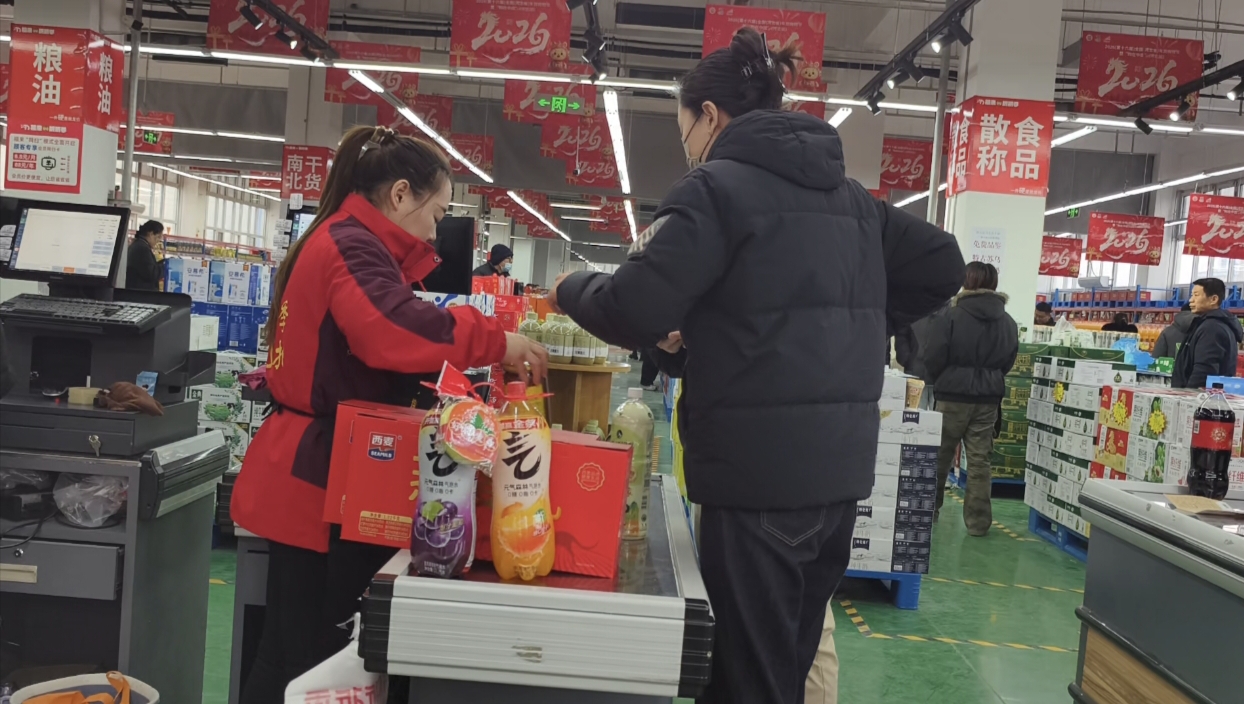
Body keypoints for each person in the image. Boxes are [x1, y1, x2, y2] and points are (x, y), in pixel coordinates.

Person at [546, 27, 964, 704]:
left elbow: (631, 307)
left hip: (758, 478)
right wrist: (850, 325)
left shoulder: (716, 189)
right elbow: (944, 263)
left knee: (744, 678)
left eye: (684, 129)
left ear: (710, 117)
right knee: (786, 666)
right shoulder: (854, 201)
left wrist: (571, 287)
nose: (687, 146)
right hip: (838, 482)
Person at [231, 126, 547, 702]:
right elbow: (390, 329)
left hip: (326, 468)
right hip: (319, 480)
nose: (435, 232)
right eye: (437, 213)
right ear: (400, 194)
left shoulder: (349, 240)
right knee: (304, 664)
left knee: (301, 657)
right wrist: (496, 341)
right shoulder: (350, 245)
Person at [923, 262, 1019, 536]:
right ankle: (978, 524)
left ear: (967, 282)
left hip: (952, 397)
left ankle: (928, 513)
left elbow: (933, 355)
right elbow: (1008, 361)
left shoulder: (950, 316)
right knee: (979, 462)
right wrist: (989, 379)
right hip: (987, 400)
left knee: (939, 457)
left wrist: (947, 379)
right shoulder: (1008, 322)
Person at [1172, 278, 1243, 389]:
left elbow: (1204, 372)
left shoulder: (1212, 328)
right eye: (1192, 295)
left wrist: (1188, 396)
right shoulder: (1208, 324)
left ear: (1213, 299)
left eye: (1196, 295)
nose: (1191, 300)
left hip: (1200, 398)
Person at [126, 220, 164, 291]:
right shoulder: (142, 248)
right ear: (151, 234)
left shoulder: (138, 244)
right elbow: (151, 274)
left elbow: (148, 267)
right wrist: (166, 267)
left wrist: (163, 262)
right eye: (158, 237)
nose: (158, 241)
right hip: (140, 293)